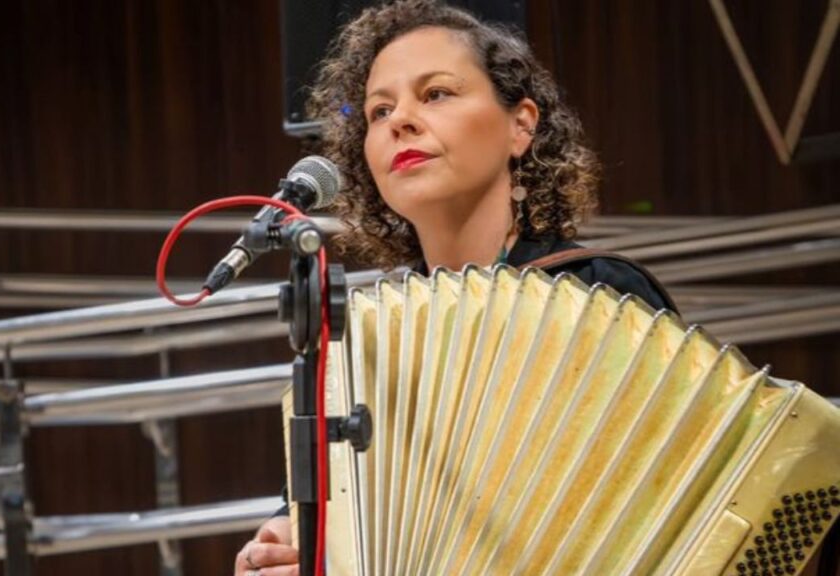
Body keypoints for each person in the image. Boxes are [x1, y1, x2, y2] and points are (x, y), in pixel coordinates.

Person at [234, 1, 673, 574]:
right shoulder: (364, 340)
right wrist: (286, 540)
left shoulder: (593, 295)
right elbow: (329, 521)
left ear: (521, 125)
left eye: (436, 93)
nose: (401, 120)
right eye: (379, 110)